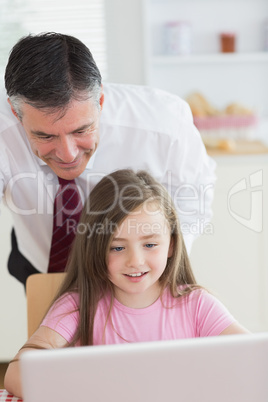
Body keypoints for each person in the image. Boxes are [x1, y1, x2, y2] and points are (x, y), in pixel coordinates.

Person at [4, 169, 248, 398]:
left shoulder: (197, 305)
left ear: (171, 244)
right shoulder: (78, 306)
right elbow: (15, 375)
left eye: (150, 245)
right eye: (117, 247)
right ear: (95, 249)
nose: (135, 261)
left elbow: (252, 359)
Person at [0, 32, 216, 286]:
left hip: (140, 274)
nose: (67, 154)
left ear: (100, 101)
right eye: (45, 136)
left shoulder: (164, 125)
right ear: (15, 112)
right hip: (43, 261)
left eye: (81, 130)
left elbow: (194, 199)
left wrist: (158, 262)